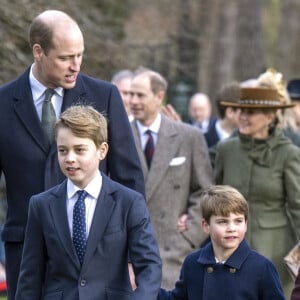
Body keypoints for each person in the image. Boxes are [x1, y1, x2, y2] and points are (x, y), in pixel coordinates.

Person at [0, 10, 145, 300]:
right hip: (25, 252)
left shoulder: (104, 96)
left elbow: (129, 177)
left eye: (79, 55)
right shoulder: (3, 102)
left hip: (95, 254)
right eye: (66, 57)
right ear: (38, 52)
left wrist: (132, 251)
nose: (75, 65)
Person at [15, 105, 161, 300]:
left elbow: (149, 266)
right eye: (63, 150)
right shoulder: (41, 205)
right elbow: (30, 276)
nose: (70, 158)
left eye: (80, 150)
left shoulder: (129, 202)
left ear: (102, 150)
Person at [130, 68, 213, 289]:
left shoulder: (189, 137)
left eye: (140, 95)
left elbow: (204, 190)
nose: (133, 101)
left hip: (175, 252)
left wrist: (190, 235)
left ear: (159, 96)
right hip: (130, 253)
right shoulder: (117, 136)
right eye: (130, 94)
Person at [215, 86, 300, 298]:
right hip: (229, 245)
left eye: (250, 112)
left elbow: (298, 205)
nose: (242, 117)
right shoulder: (226, 149)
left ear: (271, 116)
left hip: (274, 247)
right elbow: (215, 198)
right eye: (240, 111)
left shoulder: (288, 153)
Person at [158, 185, 285, 300]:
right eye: (223, 222)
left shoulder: (262, 267)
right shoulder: (192, 263)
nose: (231, 228)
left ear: (246, 224)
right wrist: (139, 288)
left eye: (238, 221)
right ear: (206, 225)